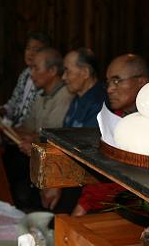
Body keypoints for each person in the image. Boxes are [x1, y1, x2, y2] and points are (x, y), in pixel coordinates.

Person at [71, 53, 149, 216]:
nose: (109, 89)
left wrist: (84, 204)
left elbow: (124, 180)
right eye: (108, 82)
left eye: (117, 81)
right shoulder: (117, 117)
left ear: (141, 82)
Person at [4, 47, 74, 208]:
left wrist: (33, 138)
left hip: (54, 159)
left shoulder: (64, 97)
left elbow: (51, 139)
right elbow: (27, 127)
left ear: (52, 71)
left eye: (36, 68)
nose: (31, 74)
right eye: (31, 68)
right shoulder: (42, 96)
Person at [40, 48, 107, 211]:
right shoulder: (78, 99)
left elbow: (85, 155)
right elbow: (64, 140)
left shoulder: (98, 103)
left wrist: (57, 182)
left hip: (85, 182)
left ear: (85, 72)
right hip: (69, 175)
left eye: (67, 71)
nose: (63, 77)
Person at [0, 32, 51, 127]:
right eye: (28, 48)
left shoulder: (46, 77)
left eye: (36, 49)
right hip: (15, 129)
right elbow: (13, 104)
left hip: (29, 133)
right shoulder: (25, 73)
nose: (30, 53)